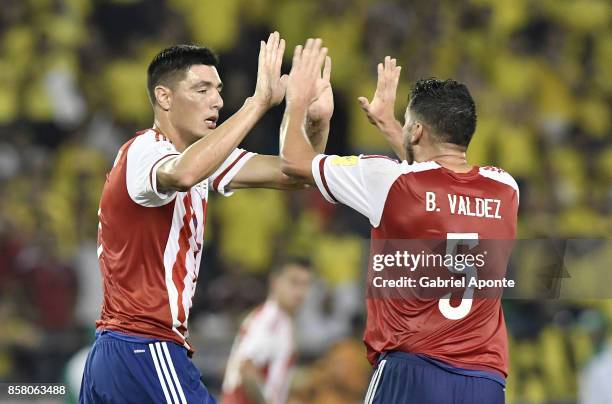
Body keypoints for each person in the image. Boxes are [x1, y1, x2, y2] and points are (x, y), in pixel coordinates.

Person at [79, 32, 333, 404]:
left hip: (120, 351)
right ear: (164, 97)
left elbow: (295, 175)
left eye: (218, 89)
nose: (216, 100)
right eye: (201, 90)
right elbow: (182, 174)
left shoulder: (203, 159)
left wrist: (313, 120)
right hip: (143, 345)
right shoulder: (144, 151)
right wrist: (258, 102)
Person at [280, 39, 519, 404]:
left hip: (411, 368)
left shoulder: (390, 181)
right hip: (485, 381)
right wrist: (394, 125)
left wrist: (297, 100)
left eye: (410, 126)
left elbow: (293, 161)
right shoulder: (505, 189)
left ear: (418, 132)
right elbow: (438, 187)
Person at [220, 258, 312, 404]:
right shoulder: (269, 320)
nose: (300, 292)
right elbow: (247, 369)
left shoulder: (283, 322)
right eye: (294, 282)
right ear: (275, 282)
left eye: (305, 284)